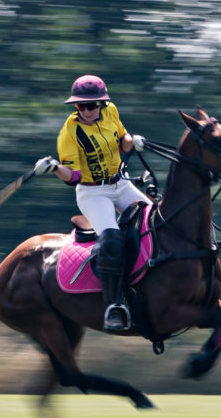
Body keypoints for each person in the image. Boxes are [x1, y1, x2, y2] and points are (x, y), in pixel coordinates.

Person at [33, 74, 150, 332]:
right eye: (81, 106)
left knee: (156, 219)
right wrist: (55, 167)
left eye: (92, 104)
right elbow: (72, 177)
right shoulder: (69, 132)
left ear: (102, 103)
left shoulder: (111, 112)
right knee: (111, 239)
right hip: (92, 193)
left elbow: (123, 139)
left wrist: (134, 141)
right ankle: (113, 305)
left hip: (122, 183)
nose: (86, 110)